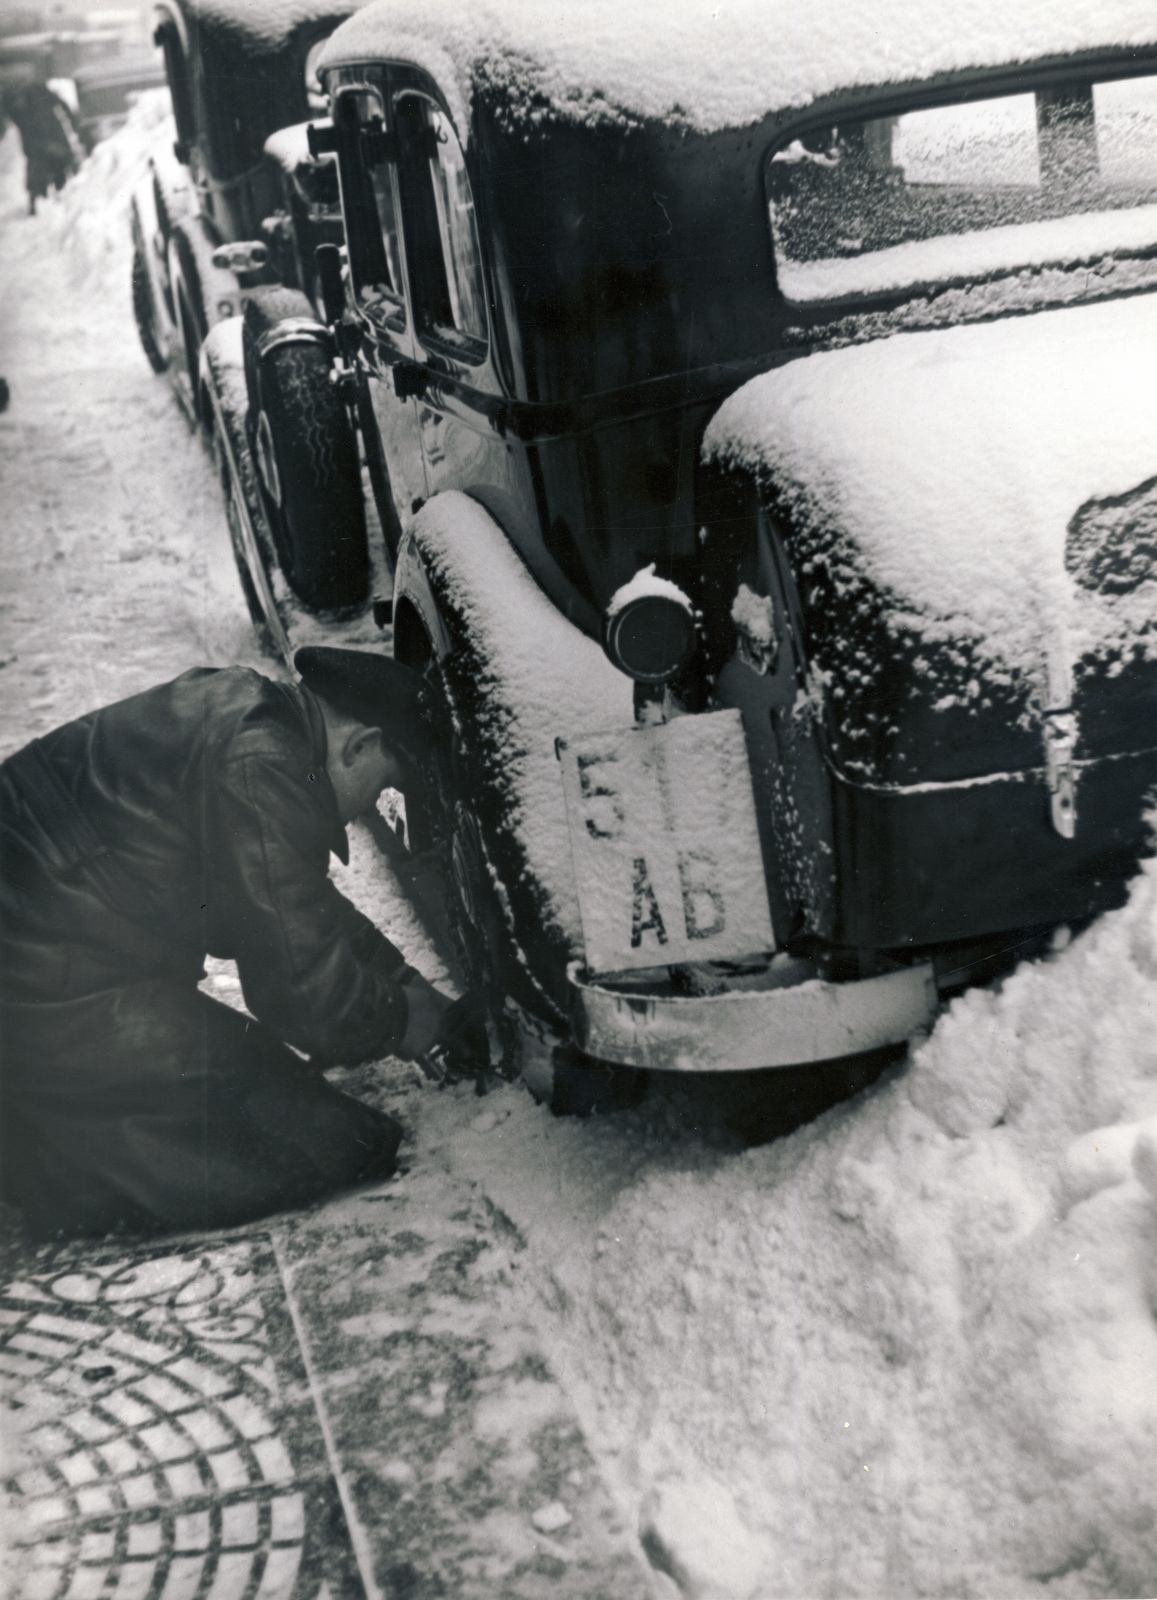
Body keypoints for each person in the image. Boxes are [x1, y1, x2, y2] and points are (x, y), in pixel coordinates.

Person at [0, 648, 486, 1240]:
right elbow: (303, 997)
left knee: (274, 1108)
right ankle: (39, 1153)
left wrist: (400, 979)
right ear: (359, 745)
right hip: (38, 980)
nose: (365, 813)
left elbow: (283, 901)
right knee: (326, 1142)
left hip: (45, 952)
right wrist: (400, 1019)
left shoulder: (254, 716)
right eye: (383, 786)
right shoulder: (263, 761)